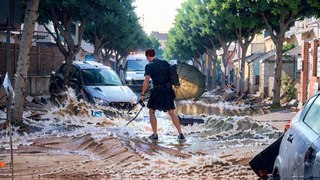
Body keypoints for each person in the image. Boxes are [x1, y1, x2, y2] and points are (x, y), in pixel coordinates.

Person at [140, 48, 185, 141]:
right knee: (172, 113)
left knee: (152, 112)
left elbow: (147, 81)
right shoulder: (164, 62)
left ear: (148, 56)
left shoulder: (149, 66)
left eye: (146, 57)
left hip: (157, 91)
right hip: (168, 90)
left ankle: (155, 134)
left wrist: (142, 94)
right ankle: (181, 134)